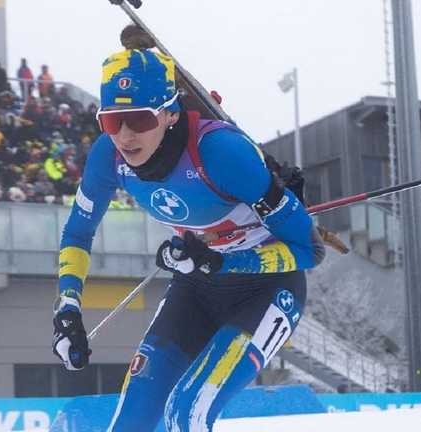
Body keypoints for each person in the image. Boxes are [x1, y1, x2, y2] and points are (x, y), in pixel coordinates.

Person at [52, 29, 323, 431]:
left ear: (171, 112)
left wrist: (224, 261)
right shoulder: (108, 158)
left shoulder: (222, 153)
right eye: (111, 120)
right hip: (195, 289)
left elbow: (309, 250)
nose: (125, 135)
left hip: (266, 290)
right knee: (131, 422)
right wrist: (68, 307)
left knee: (187, 412)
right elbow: (77, 233)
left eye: (140, 119)